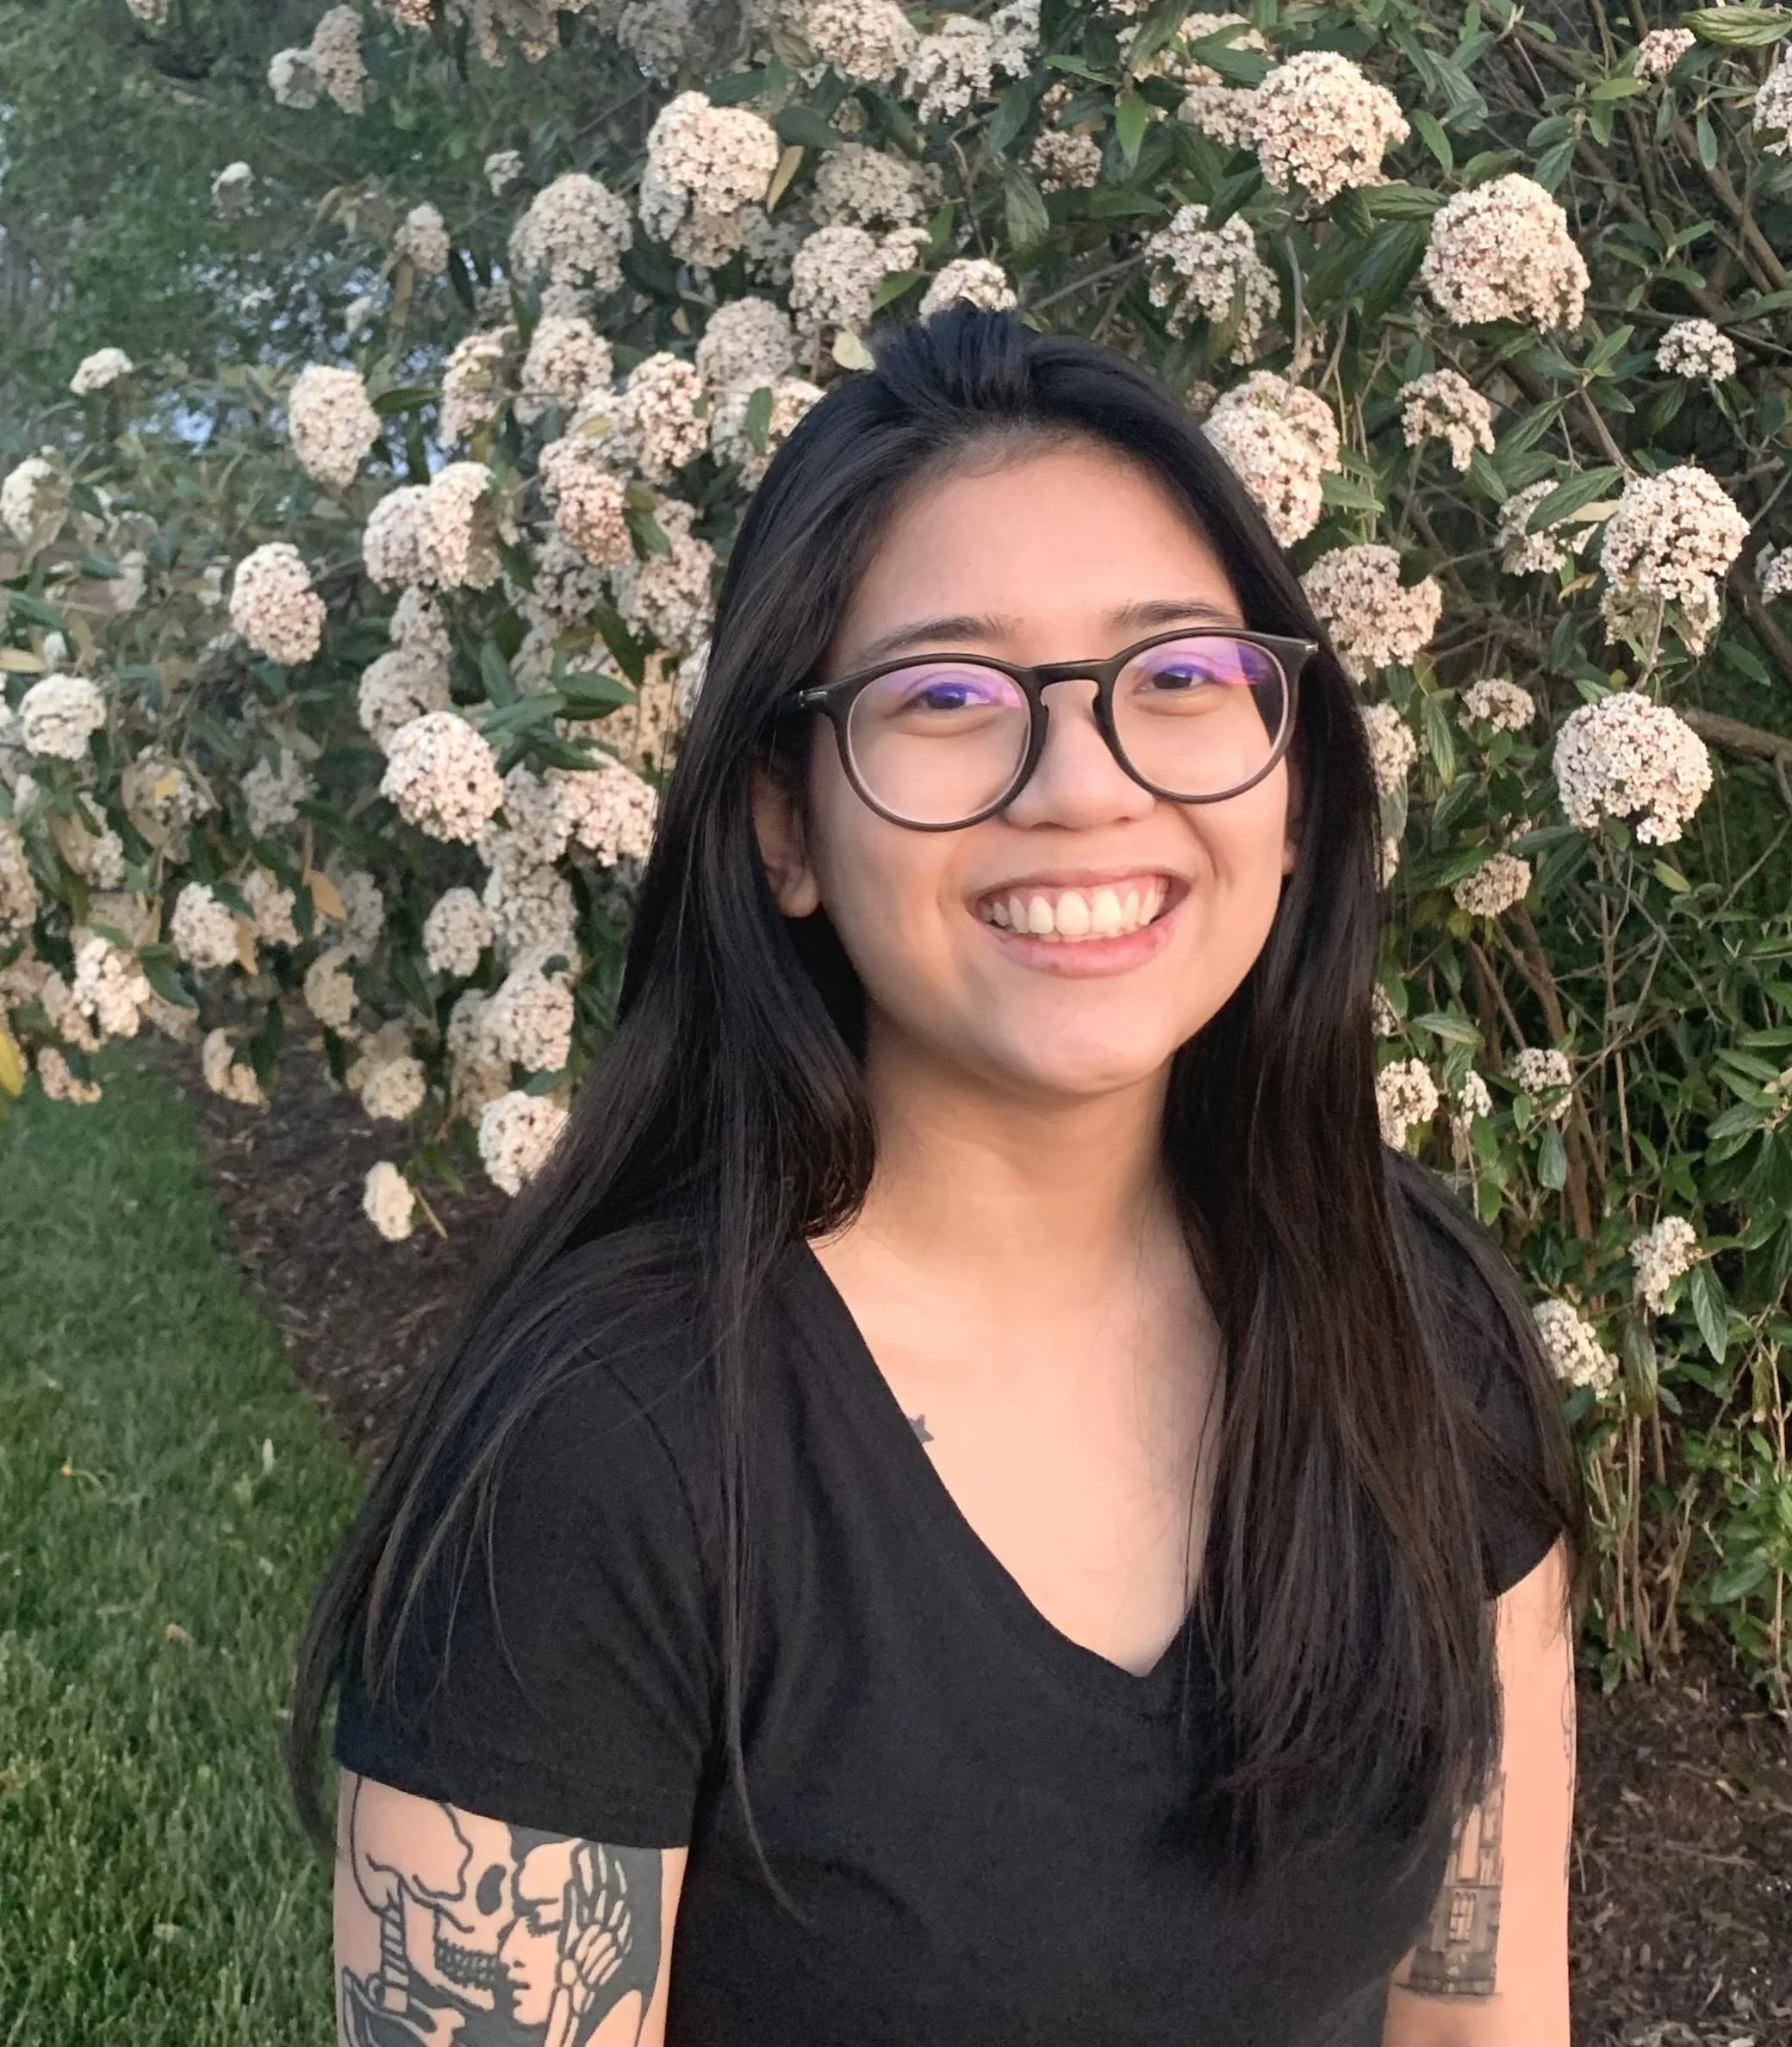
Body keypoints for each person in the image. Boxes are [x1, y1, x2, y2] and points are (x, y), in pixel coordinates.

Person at [292, 305, 1585, 2047]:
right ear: (783, 824)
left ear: (1290, 774)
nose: (1079, 785)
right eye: (950, 698)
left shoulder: (1410, 1320)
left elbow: (1480, 2021)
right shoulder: (608, 1463)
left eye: (1183, 675)